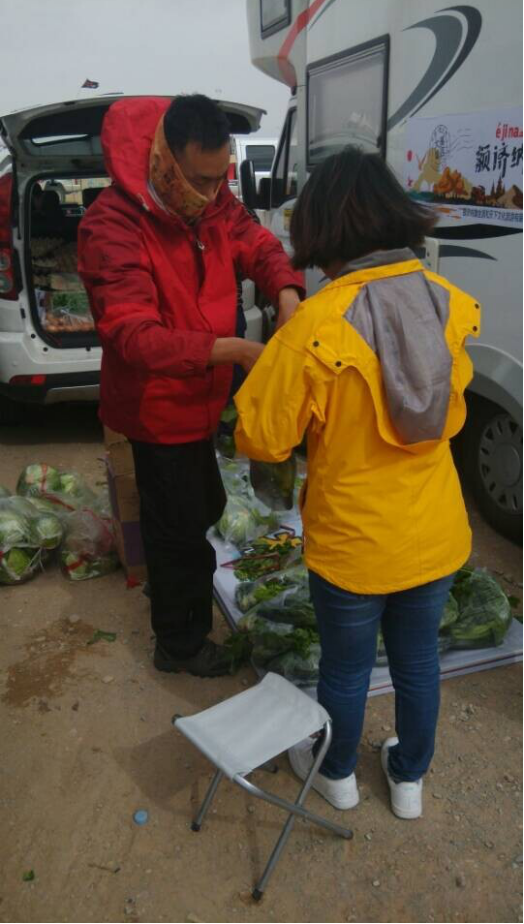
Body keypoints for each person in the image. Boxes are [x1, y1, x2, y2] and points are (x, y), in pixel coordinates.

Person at [235, 147, 480, 820]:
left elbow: (260, 437)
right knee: (418, 661)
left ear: (321, 229)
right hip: (433, 532)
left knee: (345, 670)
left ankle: (337, 773)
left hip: (351, 544)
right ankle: (409, 780)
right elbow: (451, 411)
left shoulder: (314, 325)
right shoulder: (453, 305)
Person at [78, 95, 304, 679]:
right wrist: (235, 351)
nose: (212, 194)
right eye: (200, 181)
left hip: (203, 400)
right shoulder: (112, 223)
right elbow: (134, 336)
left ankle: (172, 594)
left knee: (199, 508)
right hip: (156, 407)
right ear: (165, 159)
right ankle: (179, 646)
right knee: (181, 529)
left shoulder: (213, 200)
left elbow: (255, 242)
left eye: (220, 178)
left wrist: (285, 292)